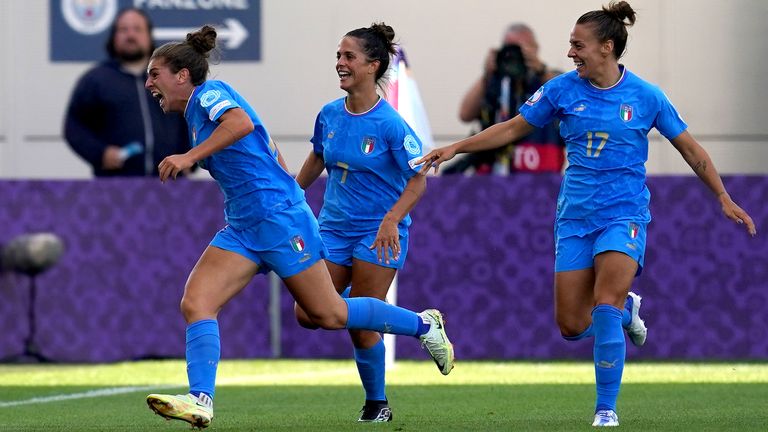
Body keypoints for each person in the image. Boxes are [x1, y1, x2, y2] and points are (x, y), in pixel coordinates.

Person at [419, 1, 756, 427]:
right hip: (575, 217)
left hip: (624, 214)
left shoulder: (646, 96)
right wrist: (455, 147)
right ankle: (628, 313)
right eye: (570, 45)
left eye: (578, 45)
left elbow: (690, 149)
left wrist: (723, 197)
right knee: (572, 325)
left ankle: (606, 409)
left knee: (605, 305)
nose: (571, 53)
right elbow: (510, 128)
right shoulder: (561, 90)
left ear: (606, 48)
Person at [142, 25, 454, 429]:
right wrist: (293, 187)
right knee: (197, 302)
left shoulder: (209, 96)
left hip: (279, 218)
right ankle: (201, 400)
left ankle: (423, 326)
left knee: (329, 314)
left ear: (182, 75)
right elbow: (290, 153)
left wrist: (189, 157)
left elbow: (239, 124)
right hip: (246, 225)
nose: (149, 82)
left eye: (155, 74)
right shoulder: (201, 113)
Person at [292, 23, 428, 423]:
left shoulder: (390, 125)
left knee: (360, 326)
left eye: (348, 56)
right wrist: (292, 194)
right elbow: (318, 156)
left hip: (378, 231)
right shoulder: (329, 114)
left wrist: (392, 219)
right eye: (338, 56)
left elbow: (418, 179)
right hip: (332, 228)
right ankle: (421, 324)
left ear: (373, 65)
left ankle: (376, 404)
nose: (340, 63)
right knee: (310, 313)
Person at [63, 8, 190, 177]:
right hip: (114, 188)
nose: (131, 35)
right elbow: (74, 127)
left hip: (170, 185)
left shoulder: (170, 78)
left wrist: (190, 158)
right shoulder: (96, 80)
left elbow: (191, 119)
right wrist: (100, 154)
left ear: (149, 36)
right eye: (123, 30)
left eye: (137, 29)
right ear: (114, 37)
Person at [446, 23, 564, 175]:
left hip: (540, 182)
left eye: (521, 49)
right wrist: (487, 75)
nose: (515, 55)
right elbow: (465, 114)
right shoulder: (496, 83)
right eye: (510, 49)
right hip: (493, 180)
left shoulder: (548, 80)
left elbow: (565, 95)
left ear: (535, 49)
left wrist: (539, 68)